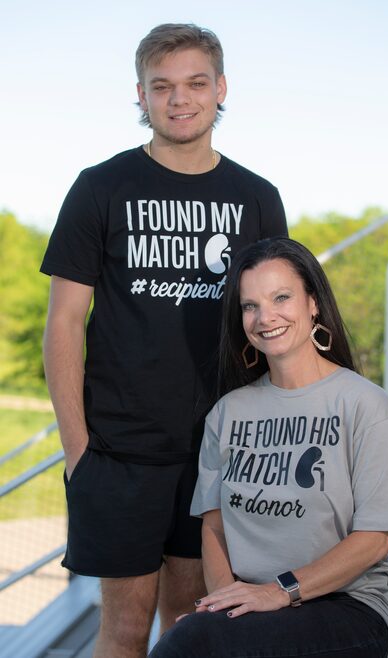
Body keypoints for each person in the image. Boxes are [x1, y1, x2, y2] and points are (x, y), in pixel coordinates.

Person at [40, 23, 287, 658]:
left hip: (221, 451)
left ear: (220, 89)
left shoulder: (258, 198)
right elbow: (65, 322)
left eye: (195, 83)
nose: (180, 99)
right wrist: (77, 451)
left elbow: (274, 325)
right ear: (142, 97)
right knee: (124, 628)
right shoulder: (100, 187)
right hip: (120, 451)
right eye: (162, 86)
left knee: (190, 627)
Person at [149, 236, 388, 658]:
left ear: (313, 302)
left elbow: (375, 540)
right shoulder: (227, 414)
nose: (264, 317)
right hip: (256, 602)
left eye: (281, 298)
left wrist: (279, 592)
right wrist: (227, 611)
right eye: (249, 305)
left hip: (346, 607)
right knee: (197, 641)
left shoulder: (364, 405)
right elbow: (214, 528)